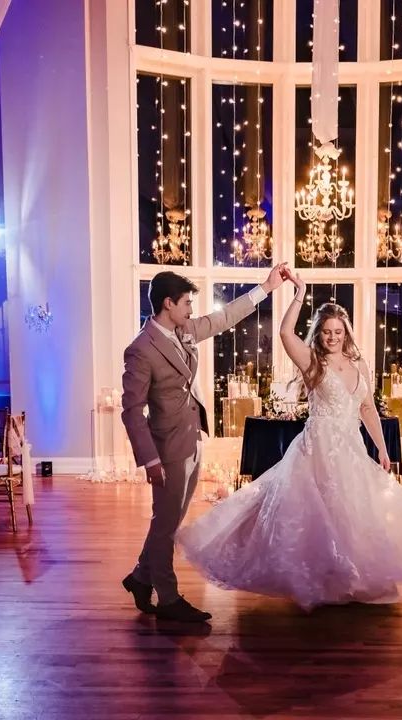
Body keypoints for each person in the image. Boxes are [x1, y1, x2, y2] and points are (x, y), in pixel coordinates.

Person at [177, 269, 402, 612]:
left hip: (351, 448)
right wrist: (299, 294)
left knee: (353, 513)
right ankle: (321, 579)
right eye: (327, 331)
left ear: (346, 333)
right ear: (319, 333)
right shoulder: (312, 361)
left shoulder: (360, 365)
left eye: (338, 331)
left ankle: (351, 577)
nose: (332, 337)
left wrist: (381, 447)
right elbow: (285, 333)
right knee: (317, 516)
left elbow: (367, 409)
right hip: (317, 448)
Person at [120, 264, 288, 623]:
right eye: (186, 303)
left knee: (169, 520)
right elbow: (132, 411)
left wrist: (266, 288)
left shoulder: (183, 331)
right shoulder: (141, 350)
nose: (191, 310)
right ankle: (167, 598)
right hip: (166, 448)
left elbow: (223, 318)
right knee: (166, 523)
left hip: (192, 437)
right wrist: (150, 460)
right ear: (168, 304)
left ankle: (140, 577)